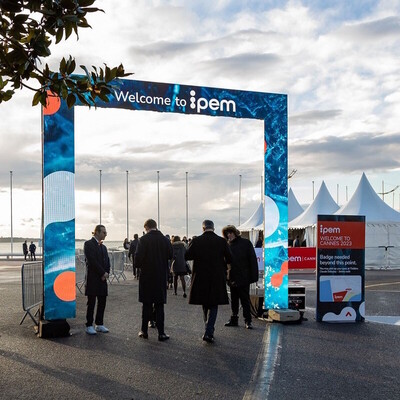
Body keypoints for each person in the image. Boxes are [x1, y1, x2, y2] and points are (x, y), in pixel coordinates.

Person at [185, 220, 232, 344]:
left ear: (203, 228)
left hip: (201, 276)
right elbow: (230, 258)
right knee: (213, 304)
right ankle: (209, 331)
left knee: (205, 303)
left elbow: (187, 256)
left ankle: (208, 329)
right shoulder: (221, 241)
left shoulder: (196, 241)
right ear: (213, 228)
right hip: (217, 276)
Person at [134, 218, 173, 341]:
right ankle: (161, 333)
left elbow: (137, 261)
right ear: (156, 226)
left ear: (146, 228)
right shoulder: (165, 240)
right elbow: (170, 255)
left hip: (147, 276)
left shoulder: (143, 239)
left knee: (146, 304)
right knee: (159, 305)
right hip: (161, 276)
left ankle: (144, 331)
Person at [222, 225, 259, 329]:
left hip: (244, 276)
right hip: (232, 276)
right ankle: (234, 319)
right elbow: (224, 261)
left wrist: (253, 275)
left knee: (245, 299)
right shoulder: (227, 245)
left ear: (235, 233)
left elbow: (252, 259)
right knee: (234, 300)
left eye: (230, 233)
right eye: (227, 234)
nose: (229, 235)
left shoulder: (245, 243)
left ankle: (248, 320)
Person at [84, 224, 110, 335]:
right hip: (93, 278)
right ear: (97, 232)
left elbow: (107, 261)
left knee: (102, 301)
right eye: (104, 232)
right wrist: (102, 273)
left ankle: (99, 324)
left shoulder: (104, 247)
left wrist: (106, 273)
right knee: (91, 302)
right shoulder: (88, 244)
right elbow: (92, 261)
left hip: (102, 279)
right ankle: (89, 325)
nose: (105, 234)